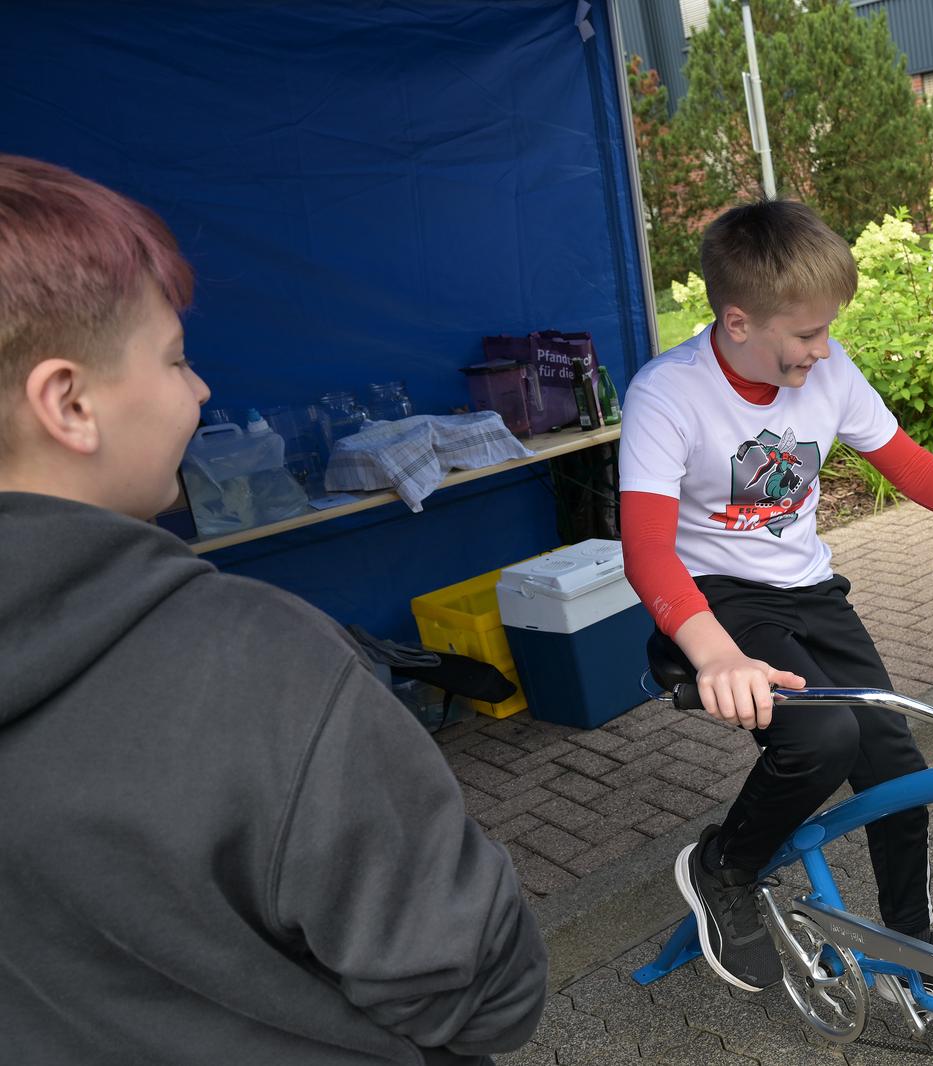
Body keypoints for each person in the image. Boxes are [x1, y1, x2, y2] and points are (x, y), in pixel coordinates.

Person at [0, 155, 547, 1063]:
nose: (201, 389)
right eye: (175, 358)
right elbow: (484, 993)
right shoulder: (255, 666)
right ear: (69, 402)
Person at [619, 199, 933, 993]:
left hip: (809, 589)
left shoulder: (828, 369)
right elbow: (644, 549)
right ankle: (723, 867)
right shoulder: (668, 394)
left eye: (828, 330)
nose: (824, 349)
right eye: (806, 335)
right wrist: (713, 656)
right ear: (737, 322)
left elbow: (909, 465)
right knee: (821, 741)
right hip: (716, 598)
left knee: (895, 773)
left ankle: (913, 950)